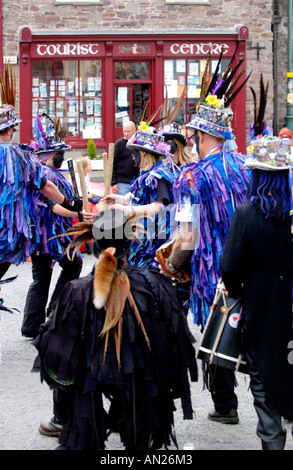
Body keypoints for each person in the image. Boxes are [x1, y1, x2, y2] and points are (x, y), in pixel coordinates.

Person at [32, 208, 198, 450]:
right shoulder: (155, 284)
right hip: (139, 378)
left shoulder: (76, 290)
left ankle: (72, 423)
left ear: (94, 245)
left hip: (92, 374)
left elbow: (57, 354)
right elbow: (174, 346)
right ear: (130, 245)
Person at [158, 52, 251, 424]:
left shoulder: (190, 177)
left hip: (215, 268)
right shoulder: (247, 167)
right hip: (252, 261)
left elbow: (186, 235)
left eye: (194, 134)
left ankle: (226, 405)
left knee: (218, 326)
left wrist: (171, 267)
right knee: (255, 324)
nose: (191, 140)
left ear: (201, 135)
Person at [220, 116, 293, 448]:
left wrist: (236, 291)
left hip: (262, 311)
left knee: (264, 382)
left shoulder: (247, 215)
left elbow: (230, 266)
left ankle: (272, 441)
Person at [0, 76, 82, 281]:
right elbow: (45, 187)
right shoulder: (19, 157)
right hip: (5, 233)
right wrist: (69, 202)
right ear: (9, 130)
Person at [21, 115, 92, 339]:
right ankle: (54, 311)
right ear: (50, 155)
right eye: (59, 154)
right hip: (49, 235)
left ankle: (32, 324)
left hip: (42, 235)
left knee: (41, 277)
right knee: (73, 265)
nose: (62, 157)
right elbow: (54, 208)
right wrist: (79, 212)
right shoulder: (45, 176)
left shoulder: (43, 173)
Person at [106, 121, 177, 270]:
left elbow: (158, 207)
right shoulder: (147, 175)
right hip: (145, 235)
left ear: (143, 153)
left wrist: (129, 211)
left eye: (135, 152)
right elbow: (141, 200)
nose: (132, 156)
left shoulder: (159, 176)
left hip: (155, 239)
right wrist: (121, 199)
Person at [111, 121, 140, 195]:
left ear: (135, 130)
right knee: (121, 205)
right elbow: (112, 163)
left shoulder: (139, 143)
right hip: (121, 182)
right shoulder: (119, 144)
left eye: (129, 131)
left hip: (136, 180)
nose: (126, 134)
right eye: (124, 131)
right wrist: (113, 183)